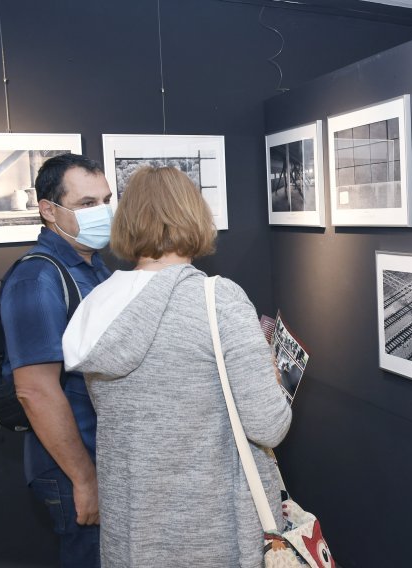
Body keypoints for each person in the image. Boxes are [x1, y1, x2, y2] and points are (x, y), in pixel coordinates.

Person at [62, 166, 292, 567]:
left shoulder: (98, 303)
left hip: (132, 528)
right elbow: (268, 426)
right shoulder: (216, 299)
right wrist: (272, 378)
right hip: (213, 530)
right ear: (194, 215)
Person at [0, 153, 113, 567]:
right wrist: (84, 480)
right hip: (72, 466)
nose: (102, 212)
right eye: (87, 204)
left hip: (101, 458)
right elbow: (35, 390)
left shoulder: (94, 267)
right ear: (49, 210)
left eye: (105, 199)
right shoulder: (37, 279)